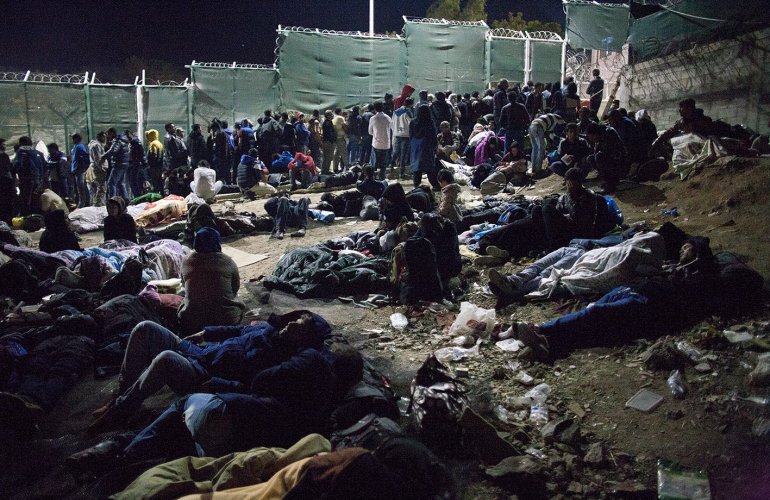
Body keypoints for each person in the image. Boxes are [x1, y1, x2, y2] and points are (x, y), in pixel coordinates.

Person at [506, 237, 764, 361]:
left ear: (698, 253)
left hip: (649, 303)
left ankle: (541, 331)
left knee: (596, 315)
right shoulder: (679, 268)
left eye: (687, 247)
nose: (682, 249)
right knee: (595, 315)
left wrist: (698, 261)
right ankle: (550, 343)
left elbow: (723, 279)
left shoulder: (704, 276)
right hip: (634, 290)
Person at [89, 310, 330, 431]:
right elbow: (238, 330)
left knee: (165, 359)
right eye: (294, 320)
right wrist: (206, 332)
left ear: (304, 339)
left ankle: (121, 410)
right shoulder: (267, 329)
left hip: (202, 376)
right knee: (145, 328)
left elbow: (254, 388)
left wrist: (218, 385)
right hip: (201, 352)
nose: (290, 323)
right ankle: (119, 395)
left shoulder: (282, 359)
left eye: (299, 326)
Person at [176, 227, 246, 335]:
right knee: (237, 301)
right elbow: (235, 288)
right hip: (227, 320)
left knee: (184, 298)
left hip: (193, 322)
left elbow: (184, 284)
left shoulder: (186, 261)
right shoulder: (227, 261)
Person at [649, 98, 714, 156]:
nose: (679, 110)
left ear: (689, 108)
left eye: (681, 107)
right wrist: (656, 142)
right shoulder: (681, 122)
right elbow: (671, 131)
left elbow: (707, 134)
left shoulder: (703, 120)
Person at [584, 122, 628, 193]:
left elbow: (613, 153)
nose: (591, 140)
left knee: (599, 156)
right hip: (611, 161)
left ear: (595, 134)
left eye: (591, 137)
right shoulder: (599, 137)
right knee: (590, 158)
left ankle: (610, 184)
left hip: (621, 162)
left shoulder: (609, 133)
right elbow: (596, 152)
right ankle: (608, 180)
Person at [12, 136, 45, 216]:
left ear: (21, 143)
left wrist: (13, 174)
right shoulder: (38, 153)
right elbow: (43, 167)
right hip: (37, 180)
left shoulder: (21, 152)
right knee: (35, 198)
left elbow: (17, 164)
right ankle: (36, 216)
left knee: (25, 199)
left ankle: (26, 216)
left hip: (25, 179)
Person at [409, 104, 439, 190]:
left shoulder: (413, 122)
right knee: (429, 167)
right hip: (427, 146)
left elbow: (410, 135)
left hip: (415, 146)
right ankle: (435, 185)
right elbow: (433, 135)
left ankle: (416, 185)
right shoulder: (429, 122)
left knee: (416, 167)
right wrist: (435, 146)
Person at [529, 112, 566, 178]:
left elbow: (551, 134)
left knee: (535, 149)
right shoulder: (560, 120)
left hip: (531, 126)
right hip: (538, 127)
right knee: (541, 149)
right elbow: (561, 130)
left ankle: (533, 169)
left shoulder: (550, 118)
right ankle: (538, 170)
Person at [101, 128, 131, 200]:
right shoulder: (124, 140)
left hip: (118, 164)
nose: (107, 136)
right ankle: (126, 200)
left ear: (111, 133)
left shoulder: (117, 141)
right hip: (124, 164)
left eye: (108, 134)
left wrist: (103, 157)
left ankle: (112, 201)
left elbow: (113, 151)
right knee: (121, 183)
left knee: (111, 183)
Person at [368, 101, 392, 181]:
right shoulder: (388, 118)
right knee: (383, 164)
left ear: (374, 109)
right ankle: (382, 179)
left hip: (376, 144)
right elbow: (392, 129)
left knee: (374, 163)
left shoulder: (373, 118)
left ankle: (373, 179)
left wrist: (376, 135)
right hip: (386, 144)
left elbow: (370, 131)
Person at [391, 97, 414, 178]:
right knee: (403, 154)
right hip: (405, 135)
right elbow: (411, 123)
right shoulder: (408, 112)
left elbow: (392, 123)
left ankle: (391, 165)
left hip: (397, 134)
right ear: (411, 104)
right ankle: (402, 173)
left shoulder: (395, 111)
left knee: (396, 151)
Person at [88, 131, 109, 206]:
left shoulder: (98, 145)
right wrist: (101, 168)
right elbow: (97, 158)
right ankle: (97, 204)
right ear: (99, 137)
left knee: (100, 187)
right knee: (102, 187)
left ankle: (99, 203)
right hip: (99, 168)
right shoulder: (96, 146)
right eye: (104, 137)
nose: (105, 139)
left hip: (98, 168)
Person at [70, 134, 90, 208]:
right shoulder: (75, 146)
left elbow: (85, 156)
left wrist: (82, 167)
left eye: (73, 138)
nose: (72, 140)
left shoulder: (80, 146)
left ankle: (83, 203)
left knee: (81, 187)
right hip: (76, 170)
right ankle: (82, 202)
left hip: (79, 170)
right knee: (80, 187)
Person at [125, 130, 147, 199]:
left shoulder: (135, 142)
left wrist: (142, 162)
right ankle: (137, 197)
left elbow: (141, 154)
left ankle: (137, 197)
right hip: (134, 165)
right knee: (135, 182)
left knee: (134, 182)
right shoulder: (132, 143)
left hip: (135, 165)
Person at [144, 129, 164, 194]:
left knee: (155, 182)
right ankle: (162, 194)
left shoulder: (153, 144)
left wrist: (150, 163)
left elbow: (153, 155)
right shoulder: (159, 143)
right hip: (160, 166)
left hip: (154, 167)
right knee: (159, 181)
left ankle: (156, 194)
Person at [0, 139, 14, 223]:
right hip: (5, 180)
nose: (5, 146)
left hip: (4, 180)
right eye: (4, 144)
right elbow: (8, 168)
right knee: (7, 200)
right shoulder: (4, 155)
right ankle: (7, 218)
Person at [321, 110, 337, 175]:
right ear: (328, 116)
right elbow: (330, 133)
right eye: (331, 114)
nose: (332, 115)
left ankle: (325, 170)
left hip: (327, 141)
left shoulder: (327, 122)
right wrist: (333, 141)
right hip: (328, 142)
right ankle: (325, 171)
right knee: (328, 157)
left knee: (327, 157)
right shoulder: (328, 123)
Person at [332, 108, 348, 172]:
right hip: (341, 138)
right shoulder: (340, 118)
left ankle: (335, 168)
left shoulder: (333, 118)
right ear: (340, 112)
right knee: (344, 153)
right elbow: (344, 126)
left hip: (336, 138)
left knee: (337, 153)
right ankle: (347, 168)